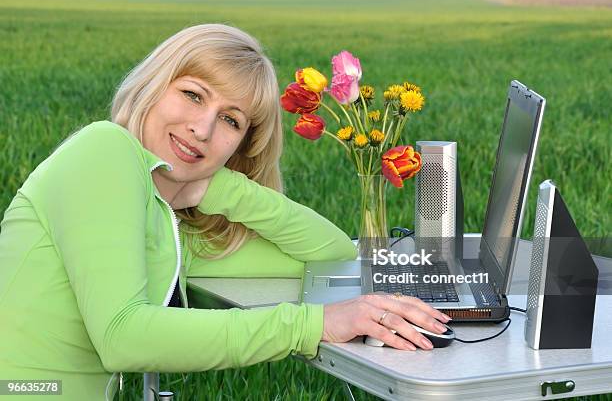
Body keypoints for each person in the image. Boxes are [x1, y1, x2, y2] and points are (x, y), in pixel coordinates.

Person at [0, 24, 451, 400]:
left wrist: (225, 187)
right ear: (155, 86)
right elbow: (123, 336)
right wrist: (314, 325)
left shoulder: (166, 222)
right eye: (193, 95)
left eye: (231, 120)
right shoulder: (104, 150)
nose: (202, 129)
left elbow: (330, 253)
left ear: (241, 146)